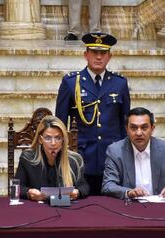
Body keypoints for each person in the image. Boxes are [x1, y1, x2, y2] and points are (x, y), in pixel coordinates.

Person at [56, 32, 130, 195]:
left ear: (109, 56)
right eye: (94, 53)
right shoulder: (70, 82)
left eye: (103, 53)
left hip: (111, 158)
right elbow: (60, 124)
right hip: (81, 158)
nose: (98, 57)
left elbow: (125, 124)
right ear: (86, 55)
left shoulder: (120, 84)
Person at [102, 107, 165, 200]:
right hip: (130, 208)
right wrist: (129, 192)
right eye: (134, 128)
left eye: (144, 127)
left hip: (161, 208)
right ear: (126, 129)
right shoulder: (115, 151)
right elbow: (108, 186)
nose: (139, 133)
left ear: (152, 129)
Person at [14, 115, 89, 201]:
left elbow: (84, 186)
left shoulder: (75, 159)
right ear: (40, 139)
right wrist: (29, 192)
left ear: (63, 140)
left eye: (58, 138)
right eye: (48, 138)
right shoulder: (28, 158)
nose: (53, 143)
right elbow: (18, 187)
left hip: (65, 208)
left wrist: (77, 192)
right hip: (37, 209)